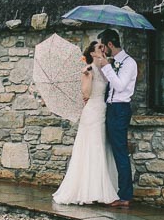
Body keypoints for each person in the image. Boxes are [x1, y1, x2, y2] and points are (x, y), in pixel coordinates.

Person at [52, 41, 119, 205]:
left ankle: (100, 189)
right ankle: (94, 192)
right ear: (92, 53)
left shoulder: (105, 67)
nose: (102, 49)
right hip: (92, 112)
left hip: (103, 110)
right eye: (99, 48)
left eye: (103, 47)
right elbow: (86, 93)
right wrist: (86, 77)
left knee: (102, 147)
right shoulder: (89, 70)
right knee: (93, 148)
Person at [92, 28, 137, 207]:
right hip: (110, 109)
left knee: (120, 152)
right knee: (109, 150)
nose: (102, 50)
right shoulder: (113, 62)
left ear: (110, 44)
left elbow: (119, 86)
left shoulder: (129, 63)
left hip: (120, 109)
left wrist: (106, 66)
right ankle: (108, 188)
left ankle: (125, 196)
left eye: (103, 46)